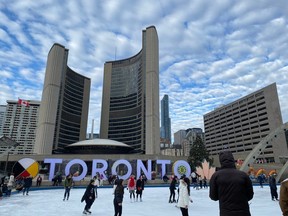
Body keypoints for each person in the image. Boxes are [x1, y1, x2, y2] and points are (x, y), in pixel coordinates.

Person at [209, 151, 254, 216]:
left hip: (226, 212)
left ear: (221, 161)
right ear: (233, 160)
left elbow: (213, 196)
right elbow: (250, 195)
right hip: (243, 212)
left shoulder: (216, 176)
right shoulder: (243, 175)